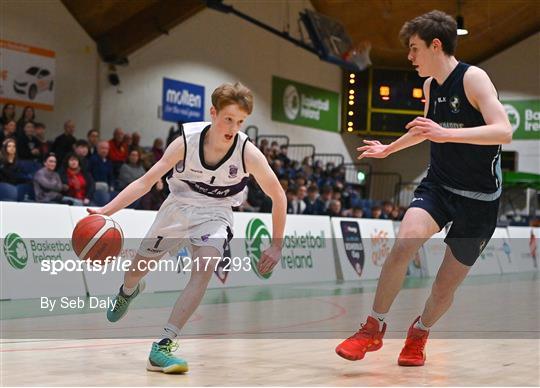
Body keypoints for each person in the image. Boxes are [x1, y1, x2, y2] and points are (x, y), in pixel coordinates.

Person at [335, 10, 512, 367]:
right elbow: (424, 129)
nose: (410, 57)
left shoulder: (474, 79)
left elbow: (504, 130)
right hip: (439, 187)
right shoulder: (431, 86)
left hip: (479, 201)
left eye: (414, 49)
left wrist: (447, 134)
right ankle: (373, 328)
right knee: (403, 244)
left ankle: (420, 332)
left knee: (443, 288)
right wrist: (389, 149)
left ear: (435, 45)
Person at [88, 82, 286, 374]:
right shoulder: (185, 141)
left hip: (216, 214)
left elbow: (278, 195)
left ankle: (164, 344)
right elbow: (144, 182)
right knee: (136, 270)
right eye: (228, 119)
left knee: (205, 267)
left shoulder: (248, 153)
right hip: (177, 209)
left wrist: (277, 244)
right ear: (213, 113)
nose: (233, 127)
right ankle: (128, 290)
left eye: (240, 121)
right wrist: (105, 212)